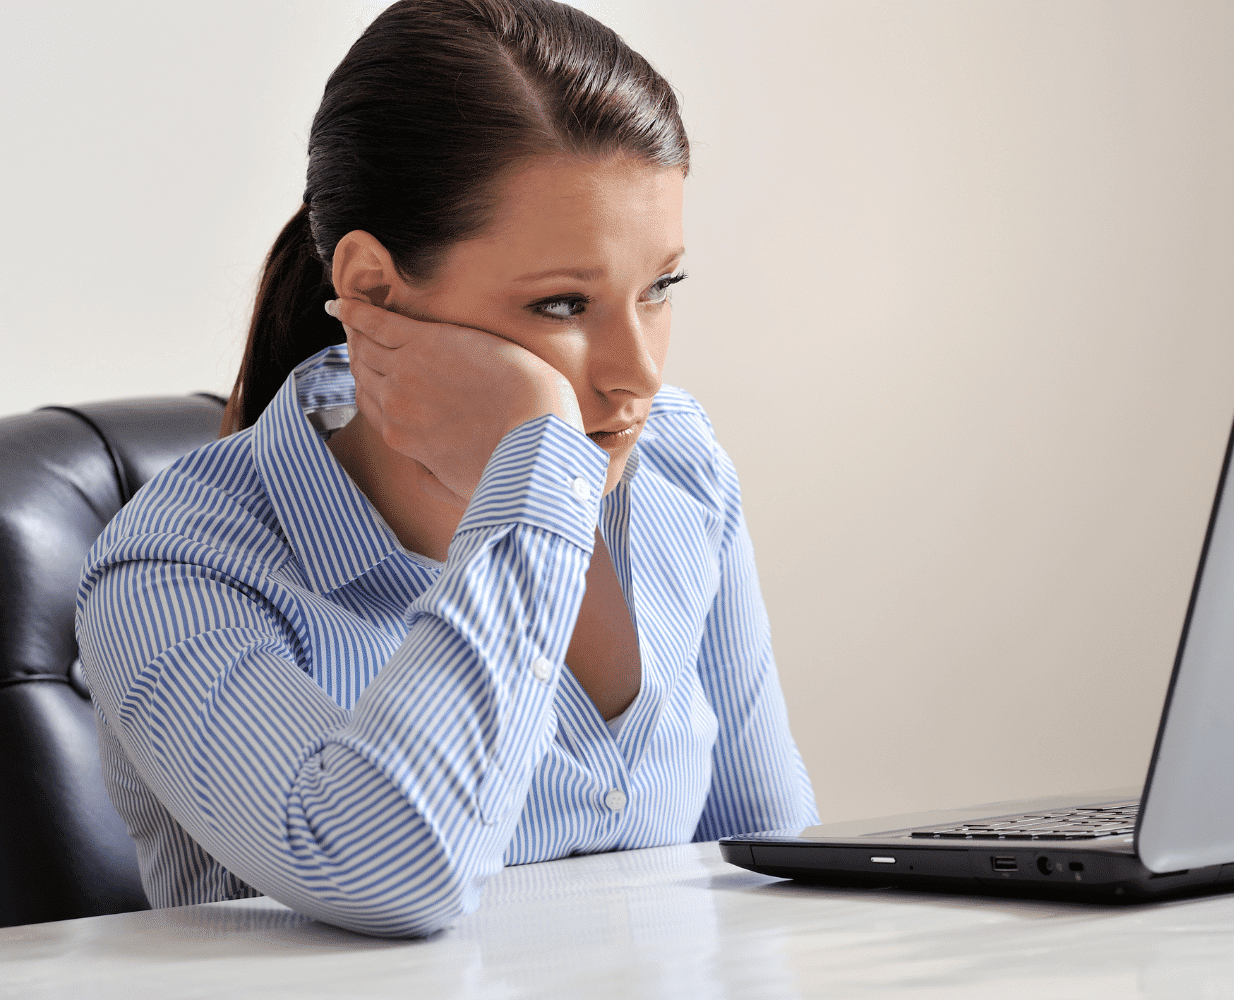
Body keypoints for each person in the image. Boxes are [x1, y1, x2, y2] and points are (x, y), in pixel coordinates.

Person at [76, 0, 817, 939]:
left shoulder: (677, 469)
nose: (640, 374)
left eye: (659, 288)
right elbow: (393, 872)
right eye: (561, 303)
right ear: (375, 291)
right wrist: (537, 467)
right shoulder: (173, 574)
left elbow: (778, 872)